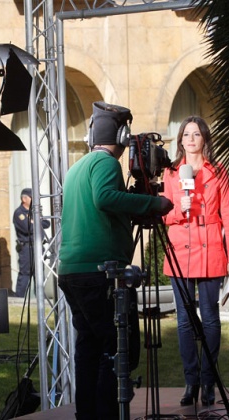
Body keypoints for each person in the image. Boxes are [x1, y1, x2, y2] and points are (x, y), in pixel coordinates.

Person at [58, 101, 173, 419]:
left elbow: (98, 210)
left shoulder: (77, 167)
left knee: (89, 348)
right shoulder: (107, 164)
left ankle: (89, 414)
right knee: (116, 347)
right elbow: (105, 198)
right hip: (99, 272)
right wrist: (151, 202)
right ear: (122, 135)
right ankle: (110, 414)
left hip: (72, 271)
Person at [161, 116, 229, 407]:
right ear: (180, 139)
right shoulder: (170, 173)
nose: (191, 138)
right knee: (184, 321)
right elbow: (162, 214)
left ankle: (208, 382)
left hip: (210, 255)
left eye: (196, 134)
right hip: (180, 252)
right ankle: (190, 382)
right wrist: (178, 212)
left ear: (204, 139)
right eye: (186, 134)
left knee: (210, 318)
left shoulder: (218, 172)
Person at [12, 188, 49, 297]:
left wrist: (34, 222)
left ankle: (40, 297)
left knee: (39, 273)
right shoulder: (19, 213)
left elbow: (47, 223)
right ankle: (19, 298)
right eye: (32, 197)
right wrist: (36, 223)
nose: (35, 200)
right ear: (24, 199)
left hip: (38, 247)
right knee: (25, 274)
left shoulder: (35, 211)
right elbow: (27, 228)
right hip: (27, 248)